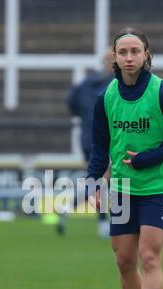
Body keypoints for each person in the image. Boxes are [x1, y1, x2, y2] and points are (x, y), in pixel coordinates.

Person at [87, 28, 163, 289]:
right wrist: (93, 183)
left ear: (147, 55)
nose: (129, 58)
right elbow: (99, 148)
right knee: (124, 260)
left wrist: (146, 159)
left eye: (135, 51)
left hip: (157, 187)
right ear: (114, 58)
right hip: (121, 190)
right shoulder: (106, 97)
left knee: (149, 256)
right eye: (123, 52)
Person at [56, 49, 114, 237]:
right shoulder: (114, 83)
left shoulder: (86, 83)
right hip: (106, 139)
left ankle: (71, 210)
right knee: (103, 180)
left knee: (99, 180)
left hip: (87, 139)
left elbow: (71, 100)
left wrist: (82, 115)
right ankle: (102, 223)